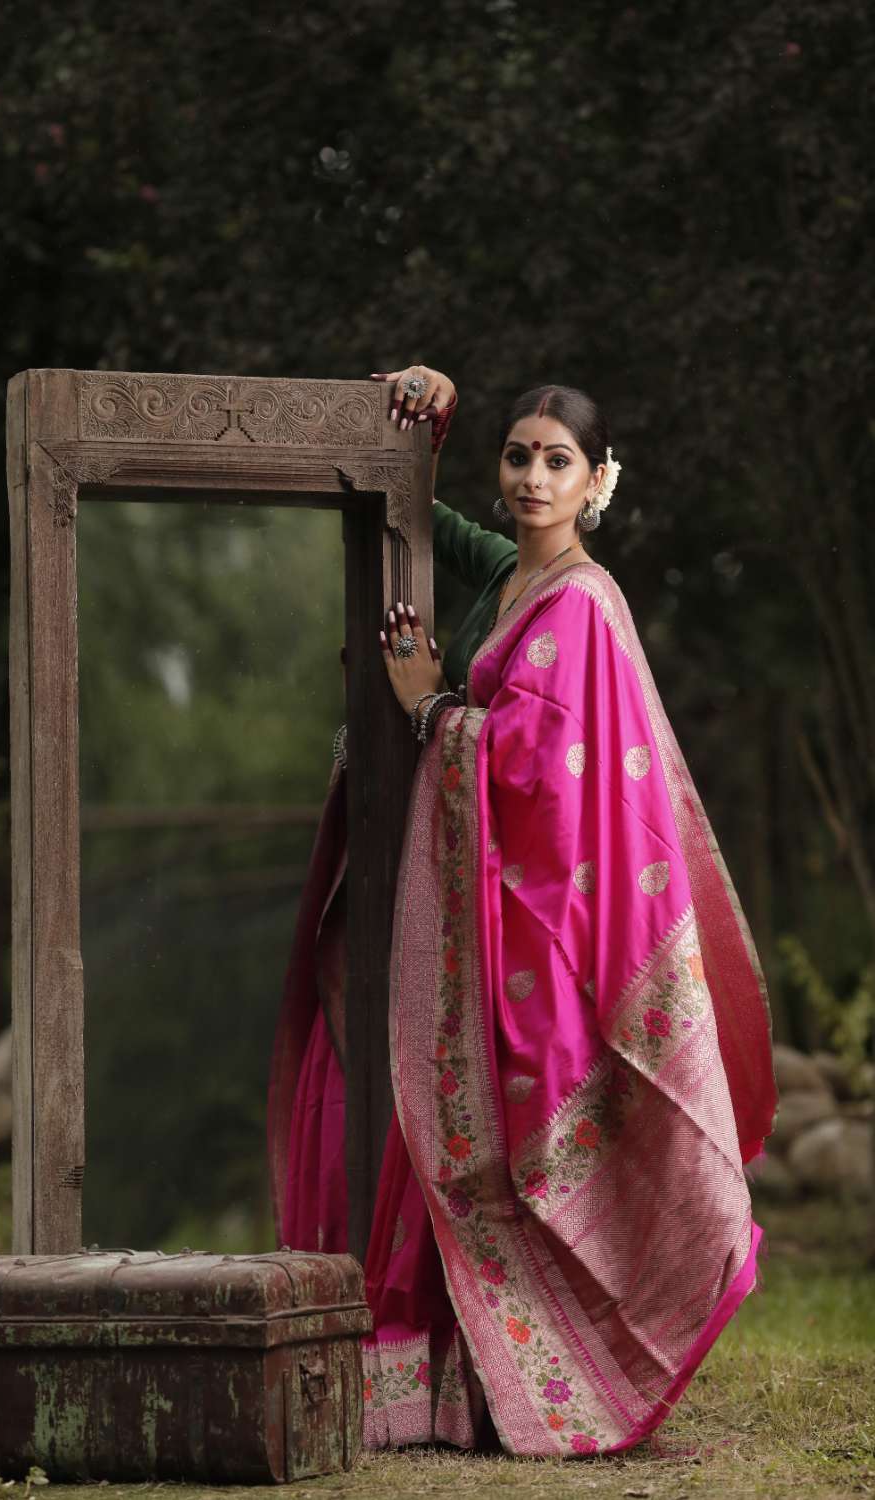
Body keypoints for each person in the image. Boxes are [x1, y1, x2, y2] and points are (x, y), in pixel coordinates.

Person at [268, 365, 777, 1459]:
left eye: (557, 460)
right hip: (474, 911)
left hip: (540, 923)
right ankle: (452, 1380)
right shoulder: (509, 574)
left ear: (597, 480)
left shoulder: (582, 605)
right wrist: (431, 415)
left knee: (500, 1142)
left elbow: (543, 771)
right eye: (517, 456)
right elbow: (419, 518)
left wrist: (432, 710)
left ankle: (536, 1379)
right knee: (438, 1132)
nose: (533, 478)